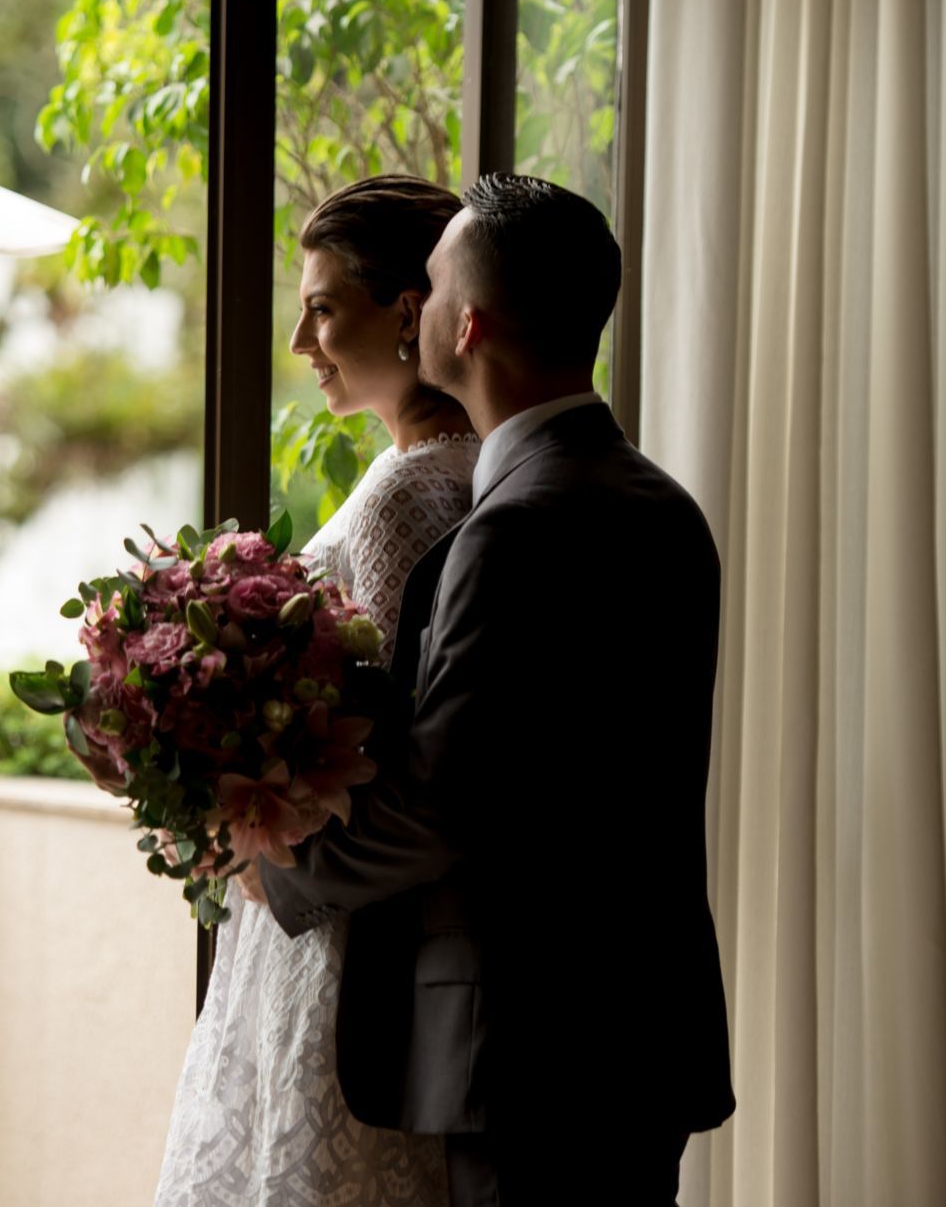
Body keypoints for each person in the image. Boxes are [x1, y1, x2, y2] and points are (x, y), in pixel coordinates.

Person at [260, 173, 735, 1206]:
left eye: (426, 290)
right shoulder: (666, 507)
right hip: (645, 1036)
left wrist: (281, 866)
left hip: (530, 1050)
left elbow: (444, 801)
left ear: (467, 323)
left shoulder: (514, 531)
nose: (412, 311)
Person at [151, 174, 480, 1207]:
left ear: (409, 312)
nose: (300, 338)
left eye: (325, 306)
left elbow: (392, 744)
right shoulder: (469, 469)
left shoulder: (407, 494)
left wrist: (250, 829)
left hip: (337, 927)